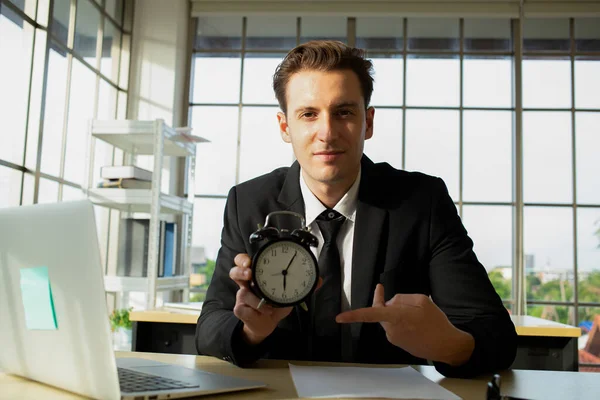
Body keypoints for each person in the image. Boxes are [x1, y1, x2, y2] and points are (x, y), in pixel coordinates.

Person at [195, 40, 517, 378]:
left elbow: (497, 336)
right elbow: (209, 328)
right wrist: (251, 331)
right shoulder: (248, 203)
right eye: (308, 114)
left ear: (368, 122)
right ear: (285, 127)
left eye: (344, 112)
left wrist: (447, 344)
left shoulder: (422, 202)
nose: (327, 133)